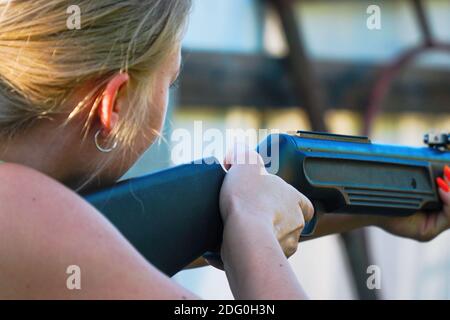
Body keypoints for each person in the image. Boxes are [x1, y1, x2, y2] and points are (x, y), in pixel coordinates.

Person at [0, 0, 448, 300]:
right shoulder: (23, 210)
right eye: (169, 82)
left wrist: (383, 203)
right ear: (113, 104)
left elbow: (139, 237)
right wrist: (250, 228)